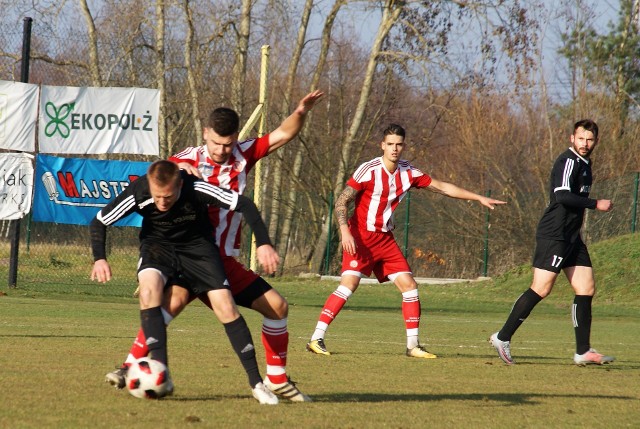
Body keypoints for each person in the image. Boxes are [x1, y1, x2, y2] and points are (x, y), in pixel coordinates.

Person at [105, 90, 324, 402]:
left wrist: (301, 110)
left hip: (224, 261)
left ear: (235, 138)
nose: (222, 150)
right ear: (205, 133)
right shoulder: (183, 161)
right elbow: (157, 182)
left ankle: (276, 379)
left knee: (276, 307)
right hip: (190, 256)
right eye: (216, 143)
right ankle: (132, 367)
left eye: (228, 143)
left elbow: (283, 133)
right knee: (166, 308)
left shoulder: (243, 156)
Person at [306, 123, 506, 358]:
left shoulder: (408, 172)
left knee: (410, 287)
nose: (394, 149)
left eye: (399, 144)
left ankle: (413, 346)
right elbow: (342, 200)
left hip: (385, 240)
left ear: (404, 146)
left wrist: (478, 197)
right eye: (390, 144)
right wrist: (344, 230)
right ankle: (316, 338)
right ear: (382, 145)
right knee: (349, 285)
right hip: (359, 237)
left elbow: (443, 187)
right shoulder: (368, 170)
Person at [91, 160, 279, 404]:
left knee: (225, 306)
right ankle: (162, 373)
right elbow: (99, 221)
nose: (161, 203)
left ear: (179, 184)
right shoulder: (139, 191)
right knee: (149, 292)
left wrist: (263, 242)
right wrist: (99, 259)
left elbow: (244, 204)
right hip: (157, 247)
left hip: (198, 249)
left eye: (168, 197)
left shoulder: (196, 188)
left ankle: (257, 384)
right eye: (157, 197)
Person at [490, 119, 615, 366]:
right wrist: (595, 203)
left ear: (596, 141)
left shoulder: (586, 164)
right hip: (554, 234)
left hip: (571, 237)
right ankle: (502, 337)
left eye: (590, 139)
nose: (585, 143)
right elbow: (562, 195)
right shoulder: (569, 161)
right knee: (541, 288)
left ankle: (583, 351)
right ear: (572, 138)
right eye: (581, 138)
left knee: (586, 288)